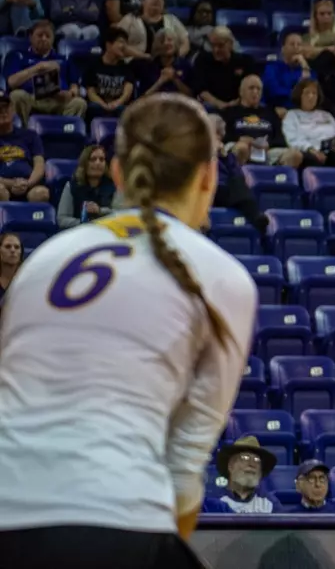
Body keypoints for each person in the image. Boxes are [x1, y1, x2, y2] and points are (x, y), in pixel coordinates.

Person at [0, 94, 258, 569]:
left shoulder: (45, 260)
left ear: (117, 173)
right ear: (209, 175)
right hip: (115, 521)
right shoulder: (220, 276)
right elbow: (185, 461)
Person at [6, 20, 86, 121]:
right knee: (16, 95)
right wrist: (38, 68)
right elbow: (12, 82)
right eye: (40, 35)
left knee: (79, 103)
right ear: (31, 37)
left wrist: (70, 94)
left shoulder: (64, 59)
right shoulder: (18, 55)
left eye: (48, 36)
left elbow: (74, 85)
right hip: (31, 98)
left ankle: (64, 133)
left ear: (53, 39)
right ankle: (24, 133)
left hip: (58, 100)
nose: (44, 39)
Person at [219, 74, 301, 169]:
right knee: (242, 148)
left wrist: (268, 144)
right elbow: (223, 136)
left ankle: (276, 180)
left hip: (266, 151)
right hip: (238, 146)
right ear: (241, 92)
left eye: (258, 89)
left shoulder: (270, 113)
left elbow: (279, 139)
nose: (255, 92)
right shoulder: (230, 112)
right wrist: (240, 139)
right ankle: (237, 180)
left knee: (295, 155)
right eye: (251, 88)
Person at [203, 436, 276, 514]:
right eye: (245, 458)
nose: (252, 464)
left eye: (257, 460)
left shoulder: (269, 503)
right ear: (230, 466)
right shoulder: (214, 504)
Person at [56, 143, 117, 228]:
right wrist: (84, 223)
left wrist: (100, 211)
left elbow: (121, 214)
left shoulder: (114, 186)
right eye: (93, 159)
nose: (98, 163)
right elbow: (62, 219)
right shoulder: (72, 186)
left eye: (102, 159)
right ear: (84, 163)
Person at [81, 28, 136, 120]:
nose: (124, 46)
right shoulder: (94, 65)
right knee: (94, 108)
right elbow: (90, 91)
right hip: (98, 105)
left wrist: (117, 103)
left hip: (118, 106)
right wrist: (103, 104)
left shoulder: (126, 67)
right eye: (121, 42)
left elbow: (127, 91)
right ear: (108, 45)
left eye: (126, 43)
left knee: (125, 111)